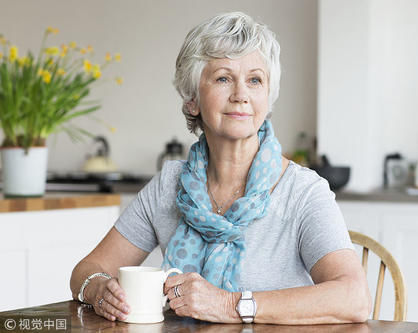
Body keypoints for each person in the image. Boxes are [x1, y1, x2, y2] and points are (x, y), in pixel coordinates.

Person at [70, 11, 371, 325]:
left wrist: (231, 305)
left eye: (255, 80)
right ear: (193, 100)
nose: (241, 95)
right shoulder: (169, 185)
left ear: (267, 98)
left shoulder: (303, 192)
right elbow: (87, 269)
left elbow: (354, 297)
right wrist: (98, 289)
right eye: (224, 78)